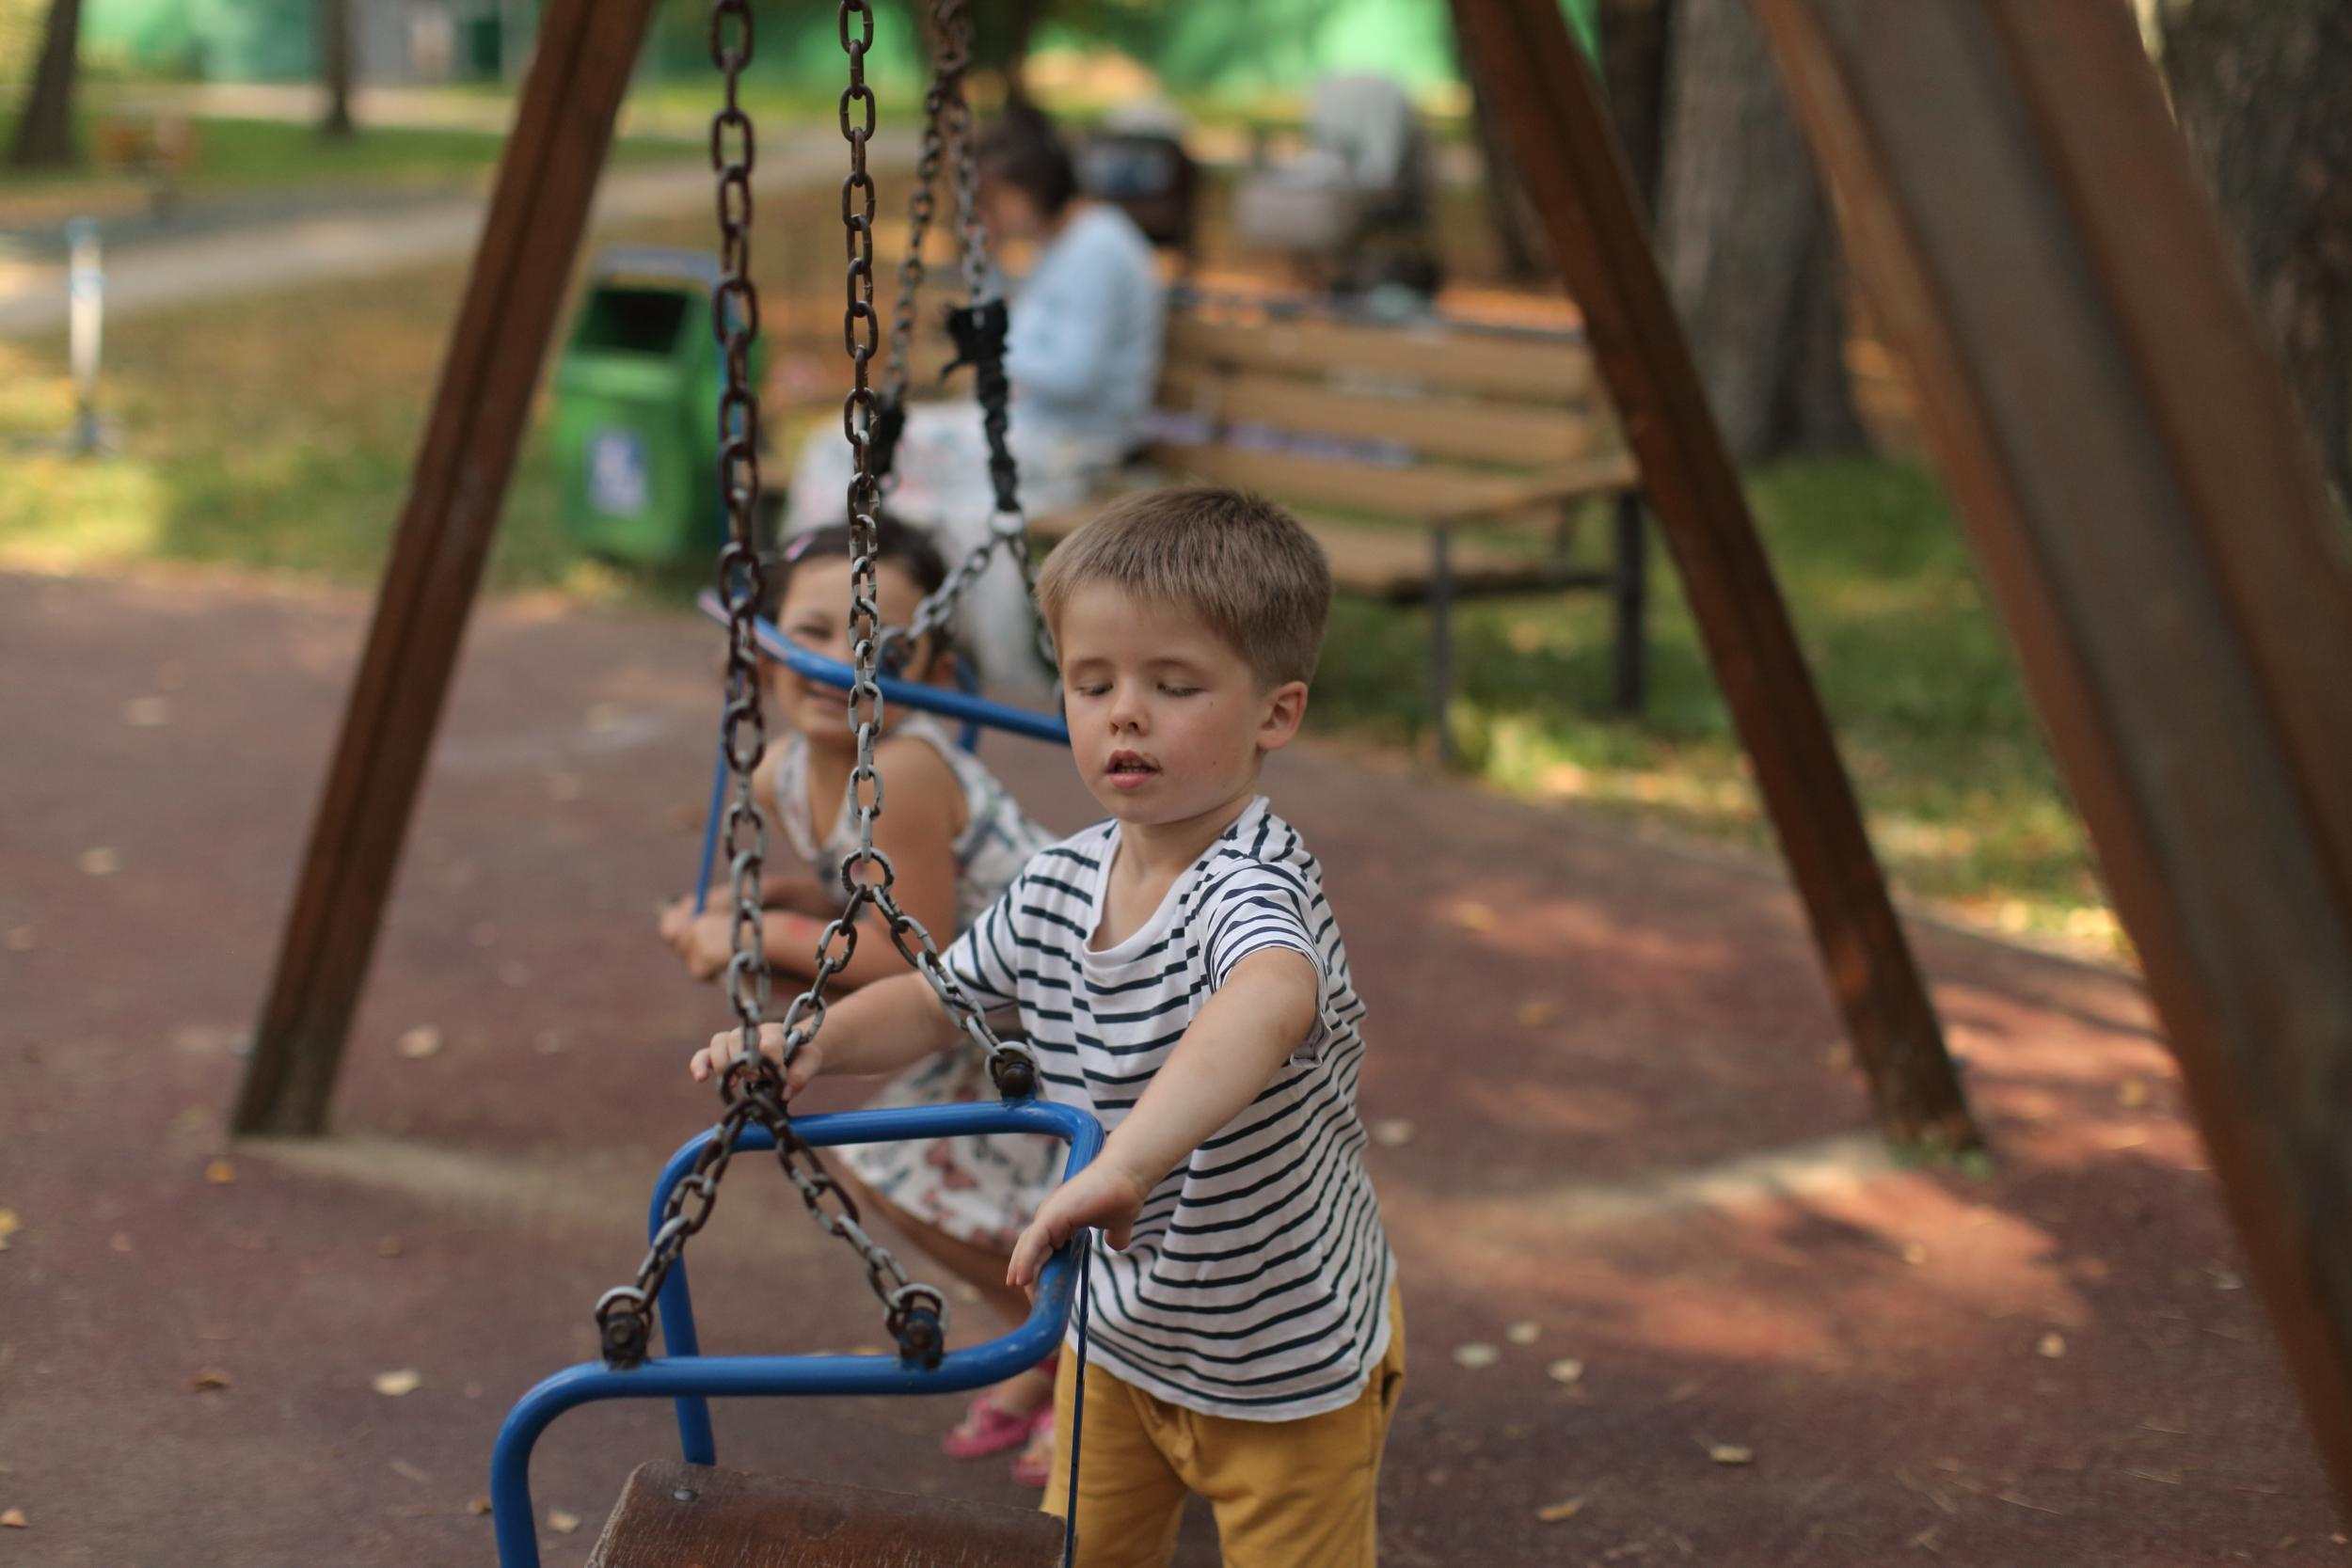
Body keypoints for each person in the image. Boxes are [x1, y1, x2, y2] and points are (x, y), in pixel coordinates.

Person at [691, 487, 1403, 1567]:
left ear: (1276, 712)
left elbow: (1260, 1004)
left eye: (1174, 685)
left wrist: (1128, 1160)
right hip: (1114, 1333)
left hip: (1279, 1354)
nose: (1124, 713)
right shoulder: (1060, 880)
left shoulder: (1254, 889)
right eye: (1091, 682)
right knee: (1082, 1550)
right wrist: (815, 1042)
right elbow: (939, 997)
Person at [658, 516, 1066, 1483]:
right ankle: (1052, 1344)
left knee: (1048, 1206)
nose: (841, 661)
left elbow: (902, 958)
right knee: (897, 1170)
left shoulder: (908, 773)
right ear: (762, 642)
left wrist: (758, 936)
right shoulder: (783, 769)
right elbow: (855, 901)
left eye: (879, 642)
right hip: (984, 1015)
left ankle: (1091, 1363)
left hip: (1061, 1014)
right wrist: (778, 904)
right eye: (812, 629)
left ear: (923, 660)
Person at [783, 107, 1167, 702]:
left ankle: (821, 606)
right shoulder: (1063, 245)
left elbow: (1073, 373)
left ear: (1027, 188)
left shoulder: (1100, 251)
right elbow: (1009, 332)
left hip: (1066, 444)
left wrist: (989, 354)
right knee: (851, 439)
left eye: (993, 198)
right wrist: (982, 268)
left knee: (879, 462)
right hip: (1021, 430)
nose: (988, 211)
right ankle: (823, 603)